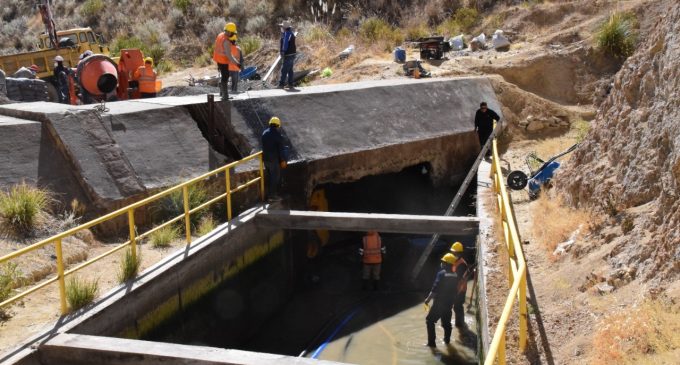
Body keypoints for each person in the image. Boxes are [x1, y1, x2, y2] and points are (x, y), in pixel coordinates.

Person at [424, 253, 460, 347]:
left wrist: (427, 300)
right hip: (449, 305)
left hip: (439, 304)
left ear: (446, 264)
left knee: (430, 321)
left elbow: (434, 289)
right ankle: (447, 341)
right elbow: (456, 291)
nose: (441, 263)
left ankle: (431, 344)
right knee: (446, 323)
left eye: (443, 262)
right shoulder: (455, 275)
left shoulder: (441, 274)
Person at [261, 117, 289, 201]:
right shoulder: (278, 136)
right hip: (274, 160)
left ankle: (269, 195)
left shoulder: (264, 133)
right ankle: (272, 196)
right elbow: (281, 150)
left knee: (270, 177)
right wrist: (283, 160)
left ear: (270, 124)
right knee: (275, 177)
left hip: (265, 159)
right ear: (277, 125)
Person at [213, 22, 241, 99]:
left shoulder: (220, 35)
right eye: (232, 33)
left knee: (223, 76)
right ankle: (225, 96)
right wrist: (237, 64)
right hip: (223, 61)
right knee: (225, 77)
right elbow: (229, 56)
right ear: (229, 32)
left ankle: (222, 93)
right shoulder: (226, 41)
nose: (233, 34)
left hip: (218, 59)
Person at [449, 242, 470, 328]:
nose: (453, 253)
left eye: (454, 252)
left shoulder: (461, 264)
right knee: (456, 307)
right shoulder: (456, 261)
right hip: (457, 289)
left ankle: (460, 325)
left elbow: (457, 278)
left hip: (460, 289)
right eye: (452, 252)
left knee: (458, 307)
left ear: (459, 253)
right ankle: (460, 324)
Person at [278, 20, 296, 89]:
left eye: (282, 26)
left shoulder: (287, 34)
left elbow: (285, 43)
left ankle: (281, 85)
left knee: (284, 70)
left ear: (284, 27)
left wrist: (283, 51)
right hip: (292, 54)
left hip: (288, 54)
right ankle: (290, 84)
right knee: (290, 70)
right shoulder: (291, 33)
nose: (281, 27)